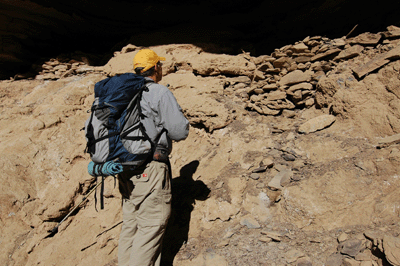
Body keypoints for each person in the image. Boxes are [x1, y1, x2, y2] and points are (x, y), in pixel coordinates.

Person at [117, 49, 189, 266]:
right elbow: (179, 131)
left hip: (125, 169)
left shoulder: (124, 92)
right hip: (151, 168)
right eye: (160, 65)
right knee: (150, 228)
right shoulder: (159, 92)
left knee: (131, 225)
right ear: (155, 67)